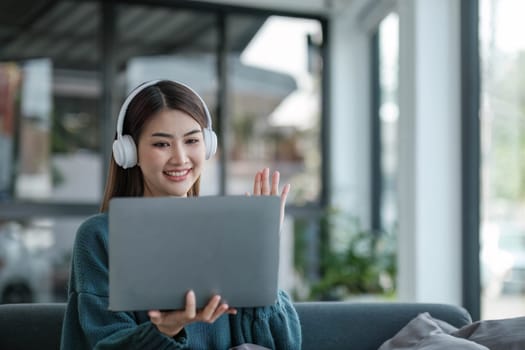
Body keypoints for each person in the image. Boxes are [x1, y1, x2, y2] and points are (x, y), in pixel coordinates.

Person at [60, 79, 302, 350]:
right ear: (128, 152)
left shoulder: (227, 231)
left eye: (192, 141)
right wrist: (164, 330)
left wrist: (261, 253)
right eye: (162, 144)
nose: (180, 158)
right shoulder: (100, 237)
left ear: (207, 145)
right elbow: (104, 344)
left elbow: (282, 344)